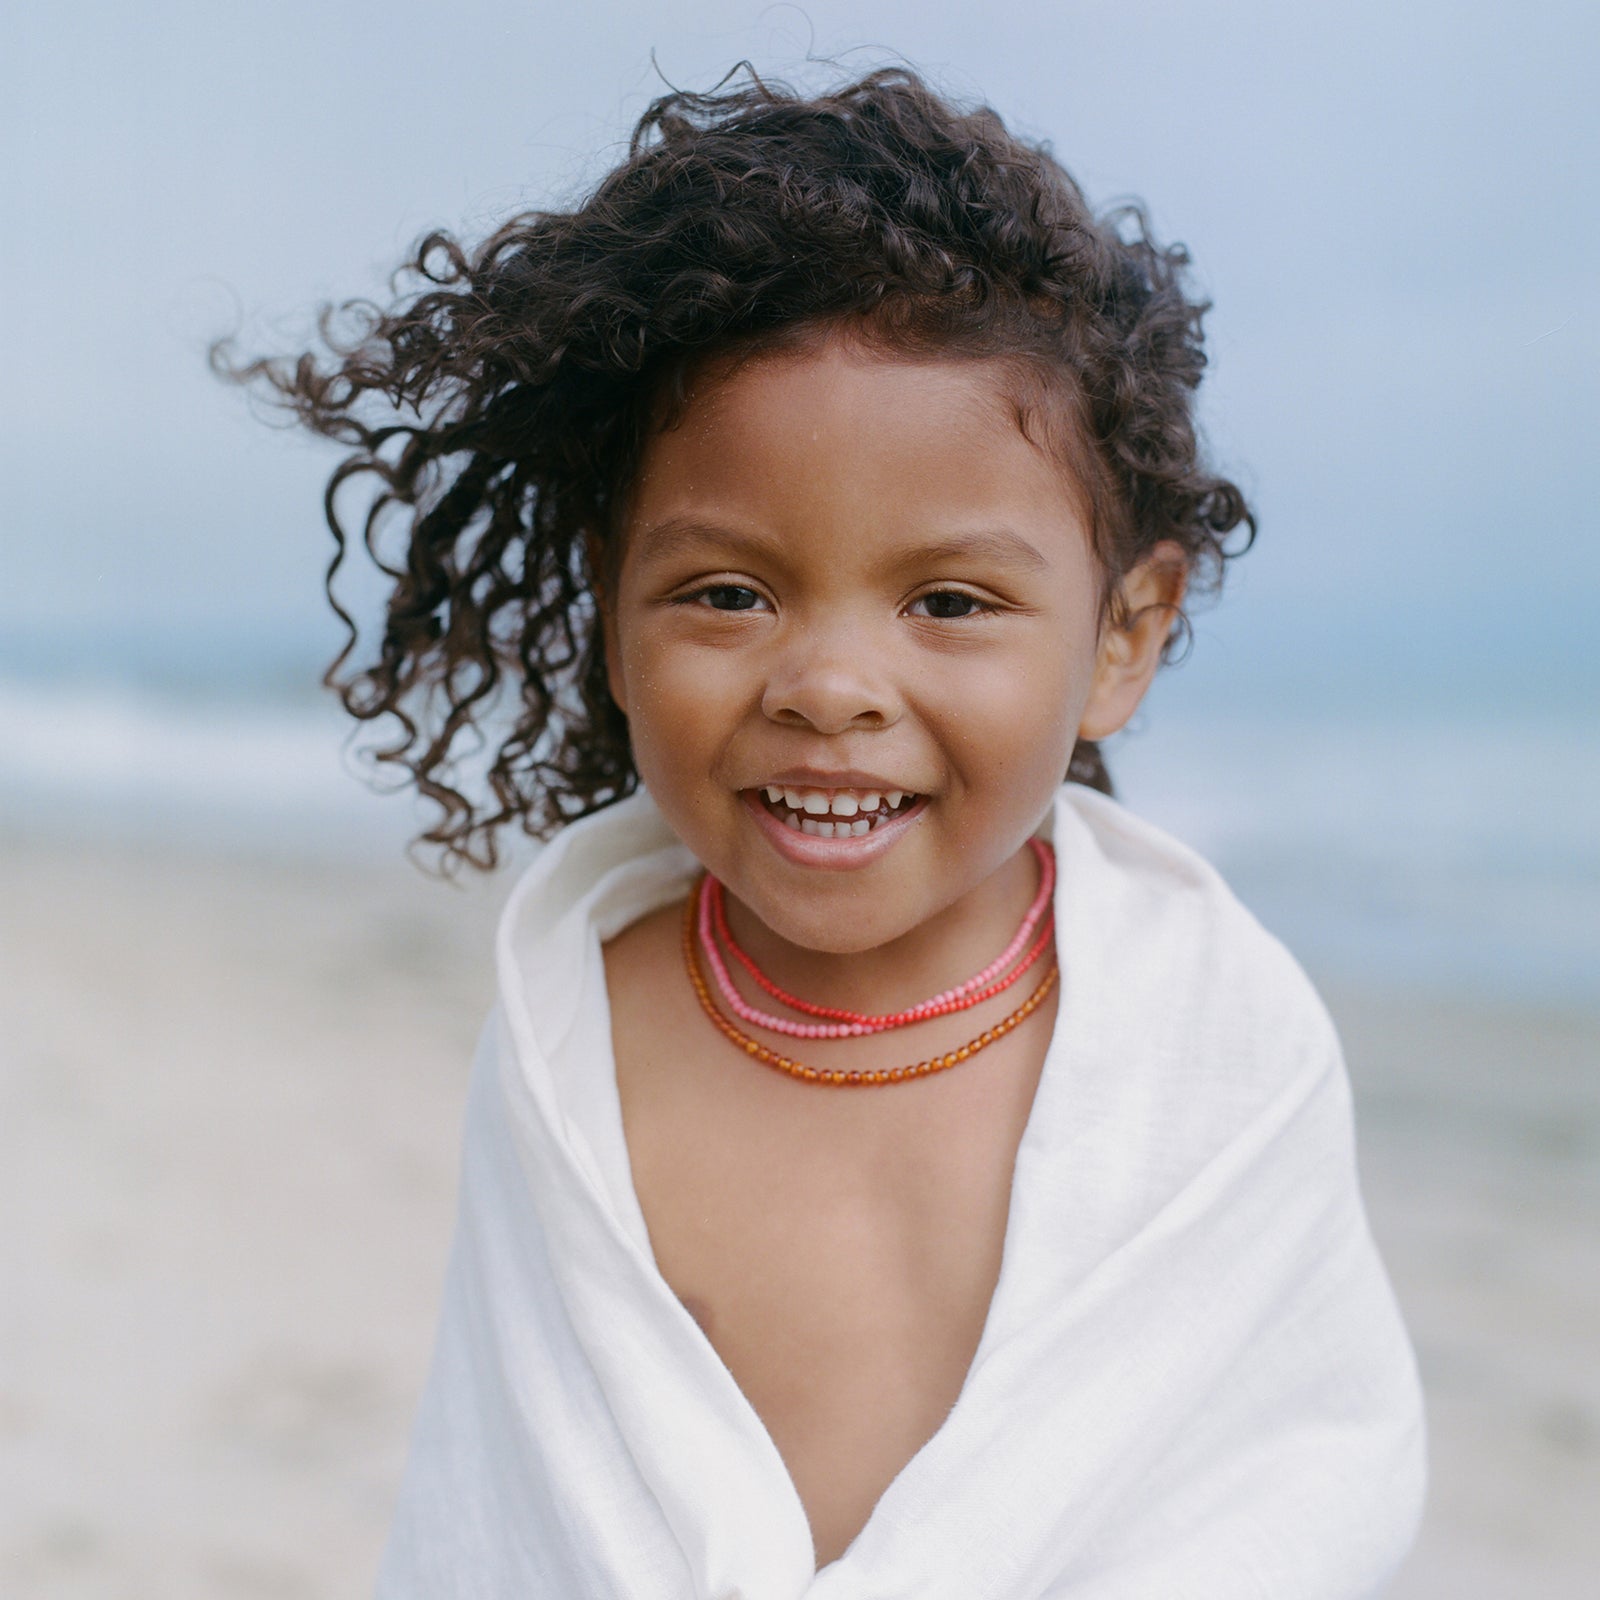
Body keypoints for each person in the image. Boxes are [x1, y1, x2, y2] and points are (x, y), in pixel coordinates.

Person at [224, 66, 1425, 1600]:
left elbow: (1297, 1488)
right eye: (729, 592)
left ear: (1124, 635)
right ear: (610, 608)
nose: (831, 687)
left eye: (950, 601)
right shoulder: (575, 1045)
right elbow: (509, 1519)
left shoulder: (1219, 1050)